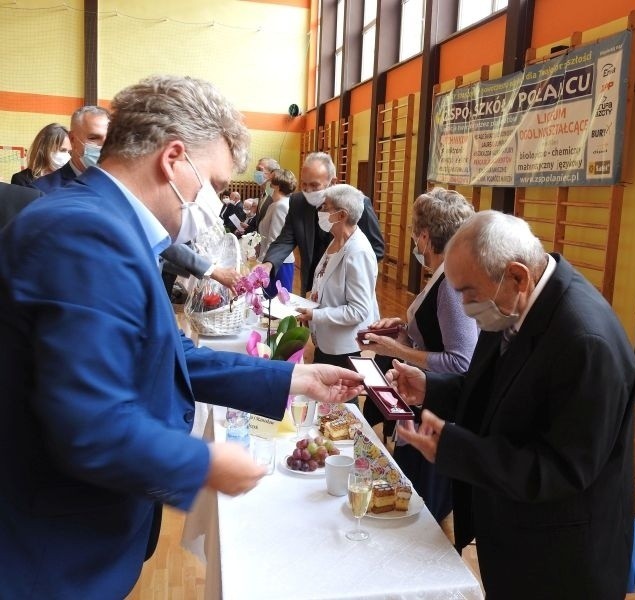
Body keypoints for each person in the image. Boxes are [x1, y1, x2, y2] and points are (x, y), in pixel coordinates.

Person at [0, 75, 364, 599]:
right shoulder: (85, 234)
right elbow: (89, 423)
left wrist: (294, 377)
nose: (212, 203)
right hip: (49, 557)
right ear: (172, 159)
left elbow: (170, 356)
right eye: (213, 185)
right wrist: (206, 463)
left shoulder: (105, 225)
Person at [390, 211, 635, 598]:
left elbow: (560, 471)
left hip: (559, 560)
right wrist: (431, 389)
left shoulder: (585, 341)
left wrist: (455, 449)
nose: (464, 304)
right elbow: (491, 390)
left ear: (518, 276)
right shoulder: (513, 303)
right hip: (512, 532)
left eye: (468, 293)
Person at [357, 187, 477, 521]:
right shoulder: (440, 274)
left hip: (436, 412)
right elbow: (433, 335)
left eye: (414, 233)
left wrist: (396, 349)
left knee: (423, 513)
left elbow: (460, 362)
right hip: (421, 403)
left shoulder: (451, 285)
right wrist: (404, 328)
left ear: (424, 237)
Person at [29, 105, 239, 290]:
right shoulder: (43, 191)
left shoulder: (125, 186)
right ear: (74, 140)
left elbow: (158, 236)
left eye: (108, 139)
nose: (102, 147)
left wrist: (210, 269)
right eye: (94, 138)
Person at [262, 152, 384, 295]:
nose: (308, 191)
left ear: (333, 182)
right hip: (310, 287)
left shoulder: (357, 203)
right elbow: (285, 240)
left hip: (343, 291)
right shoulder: (298, 202)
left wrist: (344, 272)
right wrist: (268, 264)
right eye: (304, 184)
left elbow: (376, 249)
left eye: (314, 185)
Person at [296, 184, 380, 375]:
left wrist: (315, 315)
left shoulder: (358, 252)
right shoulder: (336, 240)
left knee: (341, 402)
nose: (320, 212)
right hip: (326, 342)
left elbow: (358, 311)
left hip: (344, 348)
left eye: (325, 208)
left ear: (342, 215)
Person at [33, 105, 110, 194]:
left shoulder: (121, 185)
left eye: (110, 139)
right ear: (72, 139)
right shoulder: (42, 190)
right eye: (93, 138)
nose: (105, 146)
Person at [257, 168, 296, 294]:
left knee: (275, 304)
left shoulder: (280, 206)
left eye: (271, 180)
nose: (268, 182)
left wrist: (261, 263)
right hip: (274, 262)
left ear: (278, 185)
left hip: (277, 264)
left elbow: (275, 240)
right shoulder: (277, 204)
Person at [11, 122, 71, 188]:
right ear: (44, 148)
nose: (68, 156)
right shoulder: (21, 180)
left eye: (69, 152)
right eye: (62, 150)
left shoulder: (71, 179)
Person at [252, 156, 280, 229]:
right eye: (256, 169)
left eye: (259, 169)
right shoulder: (263, 193)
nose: (256, 172)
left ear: (272, 173)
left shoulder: (277, 196)